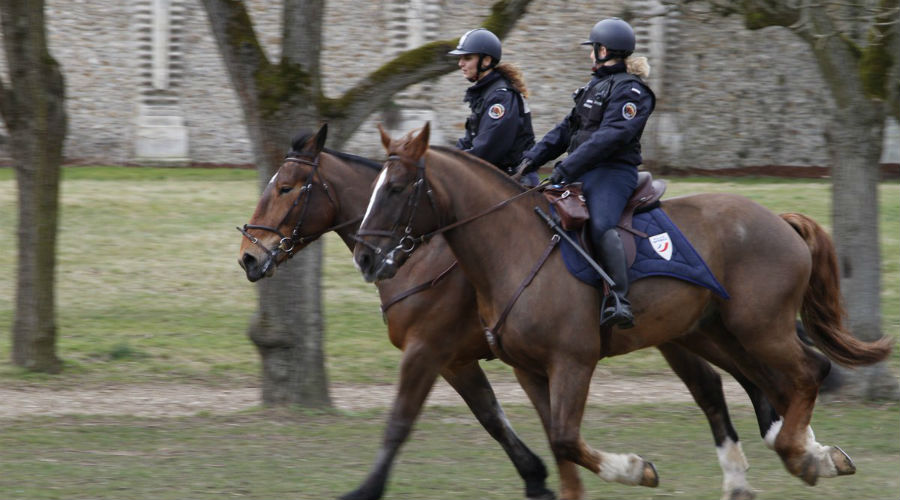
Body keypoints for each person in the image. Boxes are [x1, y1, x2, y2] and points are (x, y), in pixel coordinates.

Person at [514, 18, 656, 328]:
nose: (590, 56)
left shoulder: (632, 91)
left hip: (613, 172)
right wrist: (529, 161)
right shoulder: (594, 87)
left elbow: (612, 136)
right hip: (583, 169)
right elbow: (565, 130)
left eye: (593, 50)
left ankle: (618, 298)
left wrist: (566, 167)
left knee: (601, 224)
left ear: (603, 50)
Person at [449, 28, 539, 187]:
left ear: (486, 61)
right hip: (497, 176)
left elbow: (488, 148)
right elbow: (469, 140)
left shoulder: (501, 97)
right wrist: (447, 158)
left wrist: (453, 165)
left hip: (516, 180)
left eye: (467, 58)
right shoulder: (485, 93)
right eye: (461, 58)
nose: (460, 64)